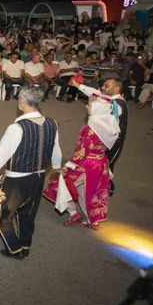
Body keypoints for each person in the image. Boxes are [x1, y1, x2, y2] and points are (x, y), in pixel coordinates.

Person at [0, 87, 61, 259]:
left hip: (15, 182)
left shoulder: (17, 128)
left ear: (23, 102)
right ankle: (26, 243)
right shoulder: (52, 123)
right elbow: (55, 148)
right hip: (38, 177)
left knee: (3, 215)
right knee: (28, 213)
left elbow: (0, 154)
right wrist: (56, 166)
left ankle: (15, 248)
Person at [43, 94, 119, 230]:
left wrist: (67, 166)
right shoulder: (112, 124)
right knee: (91, 192)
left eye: (89, 105)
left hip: (86, 165)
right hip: (101, 162)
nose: (86, 106)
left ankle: (73, 212)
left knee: (59, 184)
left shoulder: (89, 129)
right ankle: (93, 220)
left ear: (97, 108)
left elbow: (81, 152)